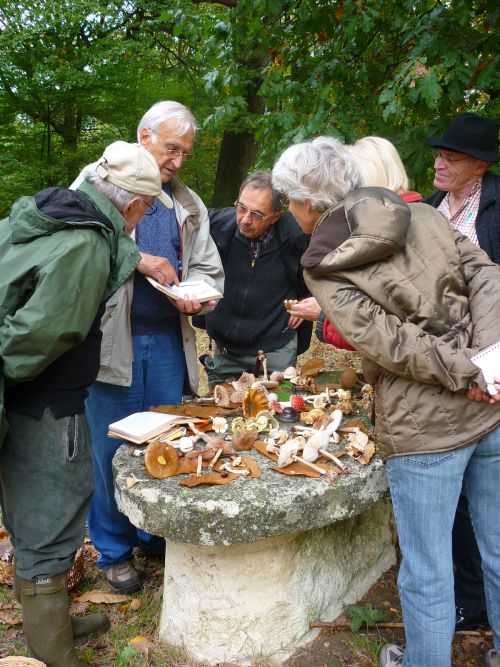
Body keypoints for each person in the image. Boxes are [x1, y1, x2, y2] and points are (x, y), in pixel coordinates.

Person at [272, 136, 500, 667]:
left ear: (310, 200)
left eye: (290, 200)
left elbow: (388, 344)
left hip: (425, 426)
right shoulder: (419, 213)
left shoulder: (324, 262)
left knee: (426, 566)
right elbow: (487, 276)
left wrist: (480, 366)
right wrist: (487, 362)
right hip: (487, 406)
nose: (290, 212)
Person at [0, 141, 169, 667]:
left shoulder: (45, 216)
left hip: (28, 398)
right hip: (43, 405)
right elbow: (41, 333)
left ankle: (51, 621)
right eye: (146, 207)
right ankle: (53, 652)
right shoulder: (86, 244)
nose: (144, 216)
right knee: (51, 511)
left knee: (35, 510)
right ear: (132, 203)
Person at [77, 101, 224, 593]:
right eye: (171, 148)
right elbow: (78, 245)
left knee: (163, 439)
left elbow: (207, 266)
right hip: (108, 345)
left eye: (185, 152)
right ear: (143, 138)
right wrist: (141, 259)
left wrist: (198, 296)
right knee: (111, 449)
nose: (178, 161)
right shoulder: (96, 184)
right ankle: (114, 550)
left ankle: (151, 532)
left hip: (166, 340)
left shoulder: (188, 205)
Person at [425, 112, 500, 632]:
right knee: (450, 497)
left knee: (488, 501)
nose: (440, 162)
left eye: (451, 157)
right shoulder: (430, 210)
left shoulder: (495, 210)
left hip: (491, 367)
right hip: (440, 369)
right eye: (439, 153)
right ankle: (467, 597)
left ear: (480, 165)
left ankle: (479, 601)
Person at [200, 170, 312, 384]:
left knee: (278, 411)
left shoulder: (298, 236)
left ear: (276, 216)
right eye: (241, 208)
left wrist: (309, 298)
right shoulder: (216, 226)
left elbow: (326, 268)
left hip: (276, 347)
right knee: (223, 413)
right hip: (227, 350)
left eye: (257, 214)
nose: (245, 219)